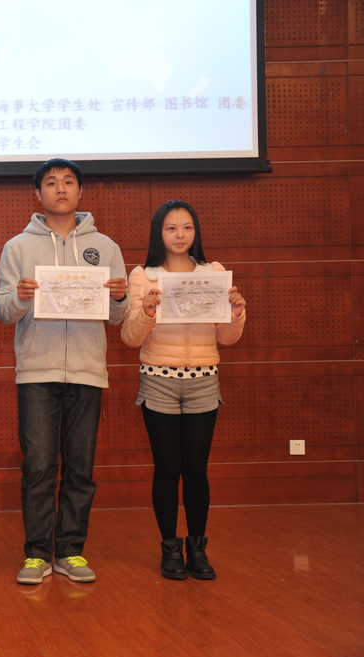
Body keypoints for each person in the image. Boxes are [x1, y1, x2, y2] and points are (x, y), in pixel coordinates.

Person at [0, 158, 128, 585]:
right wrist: (20, 296)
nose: (61, 188)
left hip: (88, 370)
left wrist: (120, 298)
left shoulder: (105, 246)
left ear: (80, 191)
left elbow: (118, 318)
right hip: (37, 372)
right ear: (38, 194)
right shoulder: (18, 247)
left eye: (69, 181)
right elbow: (2, 312)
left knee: (80, 469)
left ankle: (70, 551)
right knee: (37, 467)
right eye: (51, 183)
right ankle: (37, 554)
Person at [120, 200, 246, 580]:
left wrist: (236, 313)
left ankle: (198, 549)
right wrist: (147, 312)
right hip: (158, 379)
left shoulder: (214, 273)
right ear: (159, 233)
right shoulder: (143, 275)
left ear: (196, 232)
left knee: (195, 469)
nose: (180, 235)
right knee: (167, 468)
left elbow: (226, 338)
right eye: (171, 228)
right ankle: (169, 549)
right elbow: (129, 338)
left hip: (204, 379)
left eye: (187, 227)